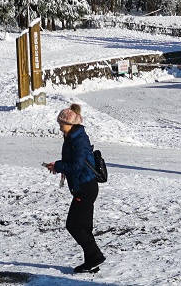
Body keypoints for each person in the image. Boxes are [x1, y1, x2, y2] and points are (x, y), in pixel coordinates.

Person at [43, 107, 104, 274]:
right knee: (84, 227)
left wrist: (59, 165)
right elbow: (73, 163)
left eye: (61, 123)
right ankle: (91, 262)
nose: (60, 127)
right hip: (85, 186)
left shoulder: (78, 140)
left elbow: (76, 165)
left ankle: (95, 256)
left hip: (85, 188)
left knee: (73, 225)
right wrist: (57, 166)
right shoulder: (72, 137)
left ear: (69, 123)